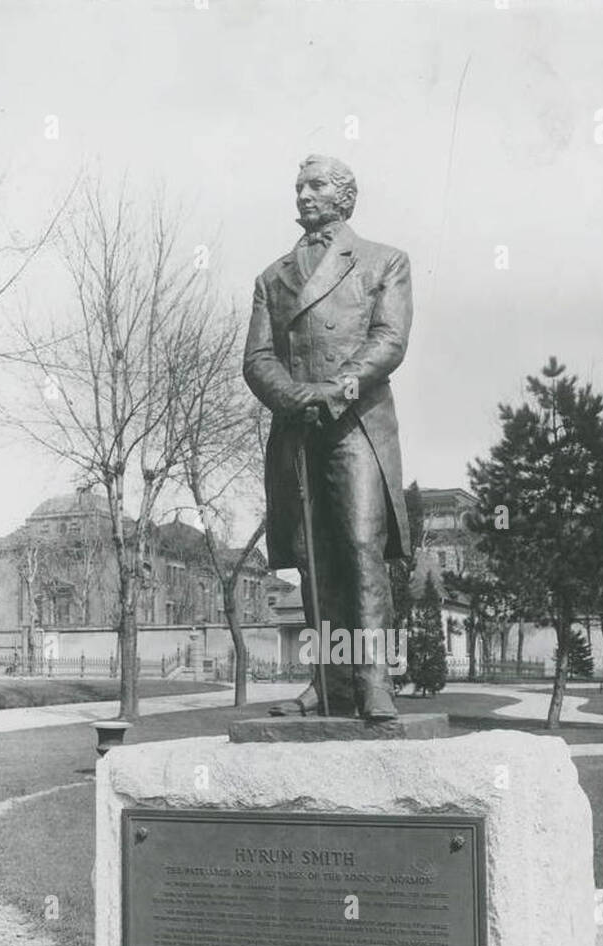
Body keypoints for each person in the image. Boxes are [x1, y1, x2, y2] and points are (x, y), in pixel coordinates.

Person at [243, 155, 412, 721]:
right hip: (300, 429)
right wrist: (294, 398)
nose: (304, 195)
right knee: (314, 562)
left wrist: (337, 388)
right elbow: (258, 358)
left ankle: (373, 681)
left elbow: (389, 339)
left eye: (316, 186)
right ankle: (326, 684)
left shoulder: (383, 261)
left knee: (361, 547)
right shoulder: (273, 277)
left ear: (345, 196)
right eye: (299, 187)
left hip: (356, 422)